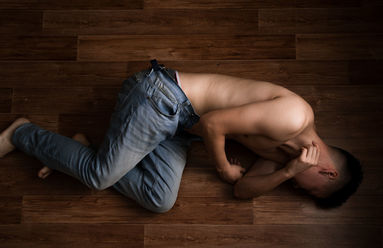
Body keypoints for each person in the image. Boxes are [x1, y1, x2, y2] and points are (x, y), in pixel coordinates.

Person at [0, 59, 363, 212]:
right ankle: (22, 133)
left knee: (160, 201)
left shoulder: (285, 157)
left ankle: (85, 152)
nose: (297, 187)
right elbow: (213, 125)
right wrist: (222, 167)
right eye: (308, 187)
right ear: (328, 172)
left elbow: (243, 191)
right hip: (162, 98)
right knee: (98, 177)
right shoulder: (294, 117)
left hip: (179, 131)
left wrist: (286, 173)